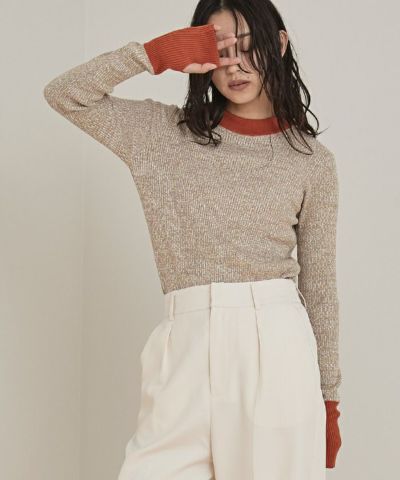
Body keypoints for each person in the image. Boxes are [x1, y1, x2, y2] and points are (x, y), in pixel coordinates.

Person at [43, 0, 342, 478]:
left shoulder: (311, 161)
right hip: (182, 346)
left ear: (280, 45)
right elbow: (65, 94)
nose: (235, 65)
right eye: (220, 50)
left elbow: (320, 287)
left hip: (276, 350)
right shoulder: (162, 134)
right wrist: (154, 54)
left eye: (249, 46)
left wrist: (328, 398)